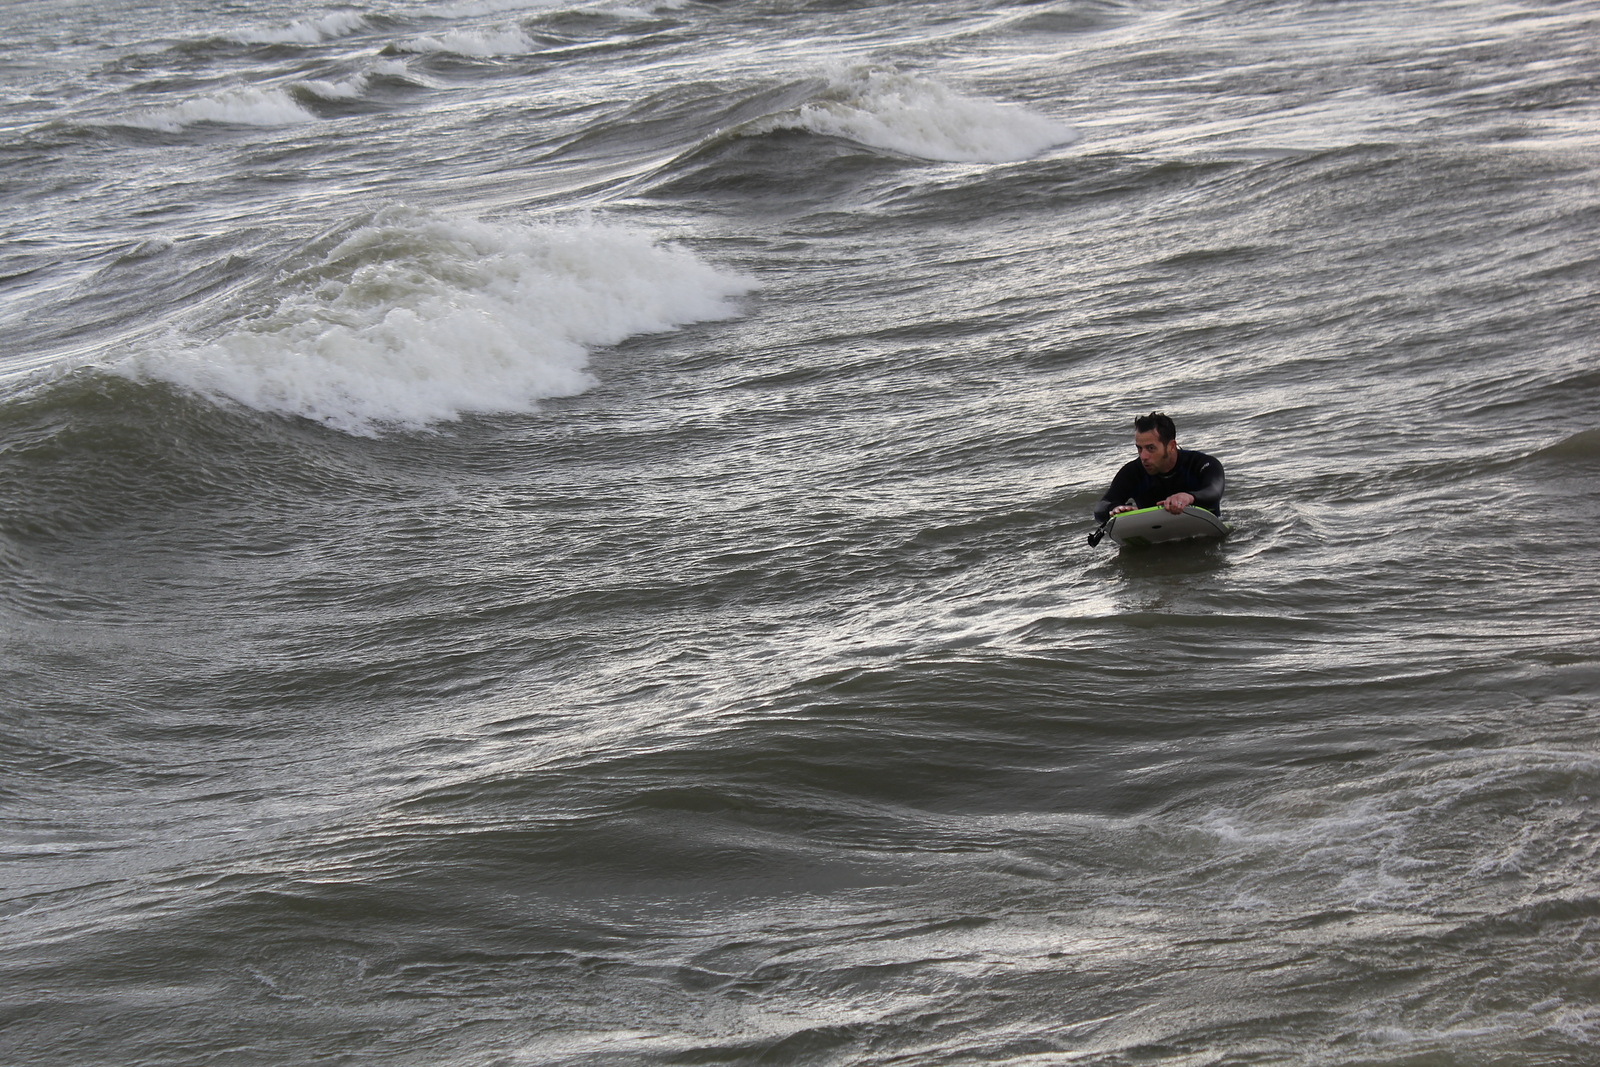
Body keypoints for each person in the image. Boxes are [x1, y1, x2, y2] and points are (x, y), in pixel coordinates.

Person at [1092, 412, 1224, 525]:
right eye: (1139, 448)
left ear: (1171, 446)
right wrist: (1114, 508)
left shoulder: (1202, 464)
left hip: (1202, 530)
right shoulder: (1133, 472)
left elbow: (1214, 491)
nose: (1143, 456)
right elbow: (1101, 507)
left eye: (1150, 448)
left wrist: (1188, 497)